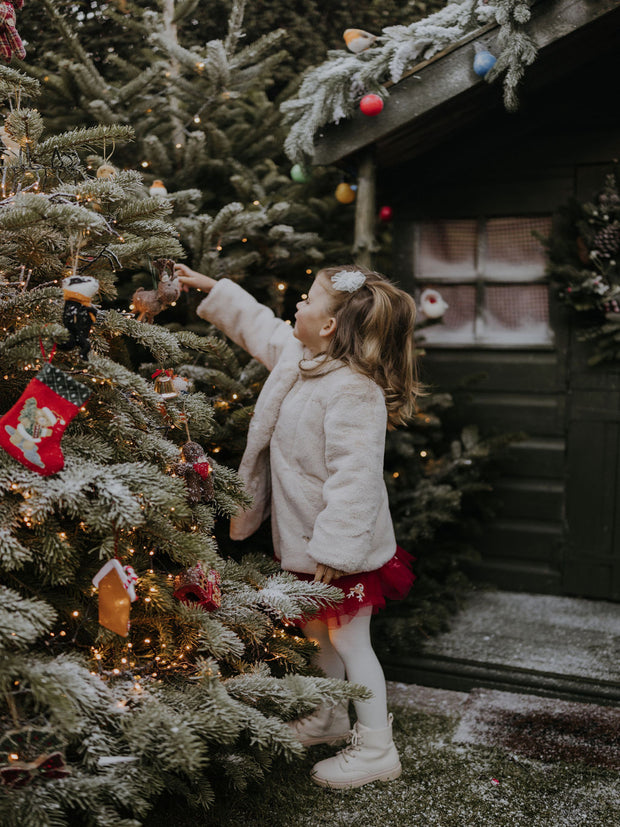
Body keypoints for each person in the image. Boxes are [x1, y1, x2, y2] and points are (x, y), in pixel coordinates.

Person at [174, 262, 421, 789]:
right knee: (318, 635)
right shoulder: (301, 358)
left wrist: (337, 548)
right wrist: (213, 288)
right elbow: (261, 326)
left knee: (352, 641)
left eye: (307, 300)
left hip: (341, 548)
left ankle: (378, 748)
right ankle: (330, 718)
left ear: (330, 326)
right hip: (309, 545)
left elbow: (355, 477)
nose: (297, 307)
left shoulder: (354, 390)